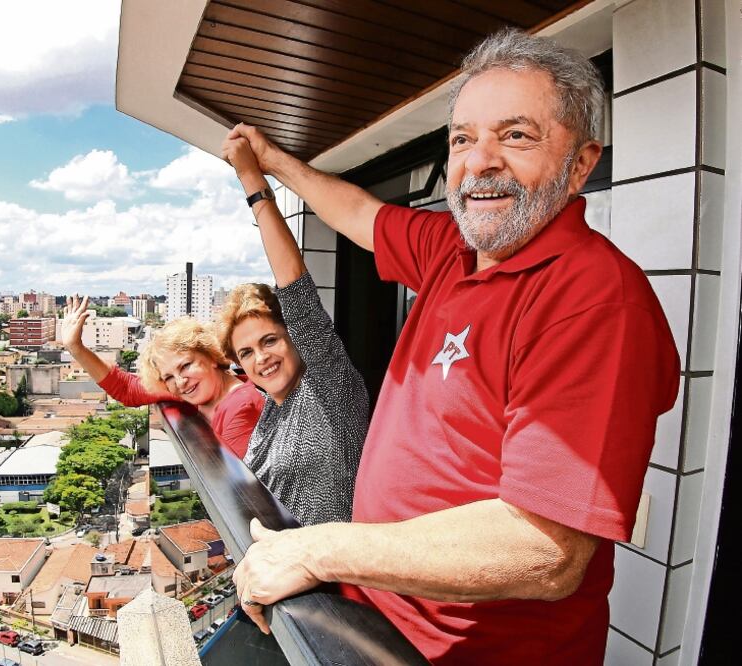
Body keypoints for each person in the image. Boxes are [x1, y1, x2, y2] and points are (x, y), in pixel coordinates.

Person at [228, 29, 680, 664]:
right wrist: (273, 163)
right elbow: (357, 212)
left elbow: (544, 549)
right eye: (463, 139)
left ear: (581, 164)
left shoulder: (597, 299)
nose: (481, 159)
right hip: (377, 623)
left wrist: (318, 547)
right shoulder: (453, 249)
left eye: (515, 135)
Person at [214, 137, 370, 527]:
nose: (261, 358)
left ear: (295, 336)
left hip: (338, 582)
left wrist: (252, 181)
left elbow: (295, 288)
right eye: (246, 352)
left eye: (270, 340)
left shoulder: (328, 388)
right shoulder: (271, 410)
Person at [58, 297, 262, 458]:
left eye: (186, 365)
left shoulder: (241, 407)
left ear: (211, 356)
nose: (181, 381)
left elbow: (245, 494)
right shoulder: (195, 389)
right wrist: (76, 348)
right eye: (169, 377)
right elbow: (127, 389)